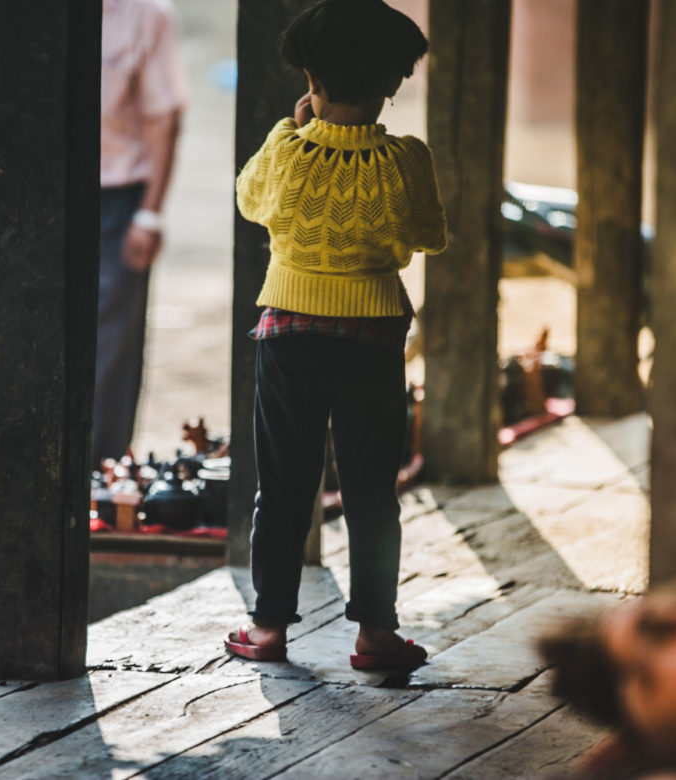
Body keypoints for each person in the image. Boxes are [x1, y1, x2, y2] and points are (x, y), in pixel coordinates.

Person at [224, 0, 446, 670]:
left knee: (284, 482)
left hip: (288, 332)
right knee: (373, 487)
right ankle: (376, 634)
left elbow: (248, 199)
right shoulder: (406, 161)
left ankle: (267, 629)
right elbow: (427, 237)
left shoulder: (286, 152)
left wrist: (289, 132)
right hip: (373, 335)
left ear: (310, 78)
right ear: (393, 83)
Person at [95, 0, 187, 464]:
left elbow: (163, 117)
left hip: (116, 194)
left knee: (111, 344)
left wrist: (148, 215)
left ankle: (99, 468)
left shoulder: (147, 14)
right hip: (43, 191)